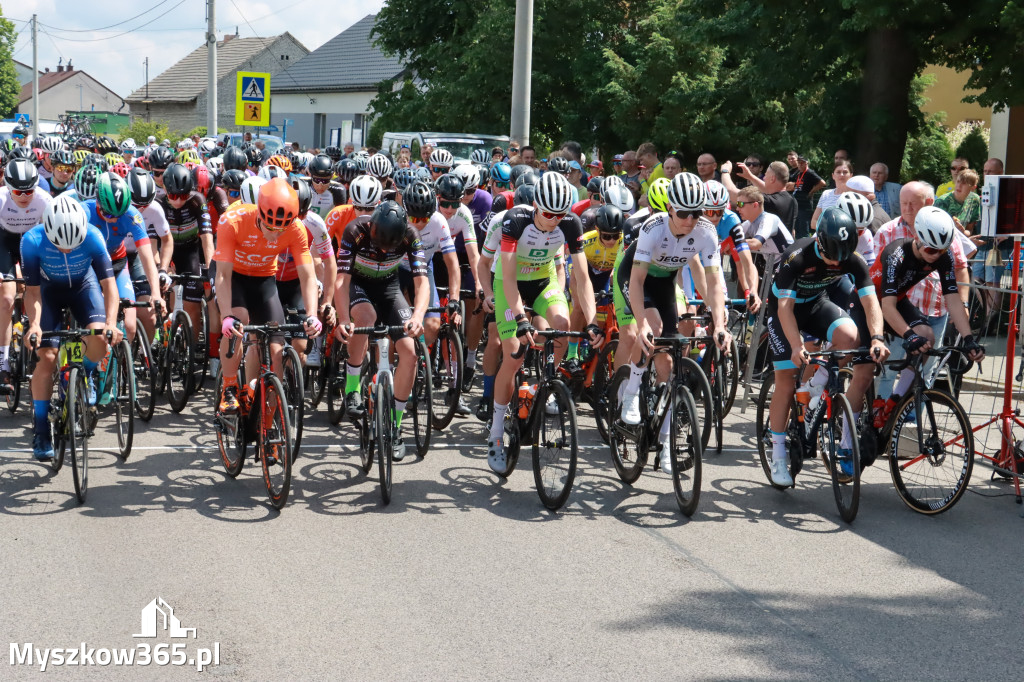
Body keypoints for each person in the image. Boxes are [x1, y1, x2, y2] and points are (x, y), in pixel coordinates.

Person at [615, 173, 733, 473]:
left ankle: (666, 444)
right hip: (636, 277)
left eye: (697, 213)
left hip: (665, 282)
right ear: (669, 208)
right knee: (651, 329)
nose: (691, 220)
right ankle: (631, 391)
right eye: (683, 213)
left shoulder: (706, 232)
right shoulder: (652, 229)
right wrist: (640, 322)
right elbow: (638, 280)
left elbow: (715, 281)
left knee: (669, 367)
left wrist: (719, 323)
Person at [486, 172, 603, 472]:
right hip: (509, 283)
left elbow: (582, 277)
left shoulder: (570, 223)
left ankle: (543, 386)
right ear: (536, 205)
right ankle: (497, 432)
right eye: (549, 214)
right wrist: (522, 319)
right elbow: (509, 278)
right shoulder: (516, 220)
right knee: (514, 353)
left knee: (562, 326)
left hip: (543, 281)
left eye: (560, 214)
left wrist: (590, 322)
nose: (554, 220)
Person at [763, 208, 888, 486]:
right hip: (785, 310)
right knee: (786, 377)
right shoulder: (796, 257)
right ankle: (779, 455)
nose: (836, 264)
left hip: (816, 305)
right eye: (831, 257)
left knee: (852, 338)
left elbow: (870, 303)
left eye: (841, 259)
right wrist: (796, 346)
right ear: (819, 242)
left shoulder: (851, 259)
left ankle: (816, 387)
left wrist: (877, 337)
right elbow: (784, 308)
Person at [22, 197, 123, 460]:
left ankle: (84, 374)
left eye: (72, 246)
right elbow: (32, 293)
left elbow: (109, 286)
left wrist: (111, 323)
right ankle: (42, 428)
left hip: (83, 287)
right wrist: (34, 325)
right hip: (48, 292)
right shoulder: (31, 241)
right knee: (47, 358)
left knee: (100, 338)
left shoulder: (93, 236)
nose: (66, 251)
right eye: (59, 246)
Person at [215, 178, 322, 418]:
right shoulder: (233, 220)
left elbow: (307, 276)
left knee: (276, 351)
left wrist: (312, 315)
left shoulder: (295, 229)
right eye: (270, 227)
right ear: (260, 215)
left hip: (264, 281)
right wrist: (226, 317)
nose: (275, 235)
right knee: (238, 321)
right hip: (235, 277)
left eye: (281, 229)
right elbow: (221, 276)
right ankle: (229, 387)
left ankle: (269, 427)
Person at [870, 206, 984, 425]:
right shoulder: (896, 254)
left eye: (942, 251)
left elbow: (953, 299)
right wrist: (908, 334)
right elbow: (886, 307)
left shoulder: (943, 255)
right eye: (932, 251)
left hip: (897, 300)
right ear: (918, 238)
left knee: (928, 337)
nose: (936, 257)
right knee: (865, 370)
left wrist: (968, 338)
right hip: (869, 301)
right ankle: (847, 438)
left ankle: (895, 401)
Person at [335, 200, 428, 461]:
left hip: (389, 288)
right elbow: (342, 280)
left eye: (390, 247)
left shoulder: (411, 234)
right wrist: (343, 318)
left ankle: (395, 426)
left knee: (409, 352)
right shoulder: (355, 230)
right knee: (366, 317)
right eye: (379, 244)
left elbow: (422, 281)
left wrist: (418, 315)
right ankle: (353, 388)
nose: (383, 250)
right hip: (359, 285)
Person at [0, 158, 53, 390]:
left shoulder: (44, 200)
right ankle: (2, 363)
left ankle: (34, 332)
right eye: (18, 192)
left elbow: (53, 237)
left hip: (31, 241)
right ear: (8, 187)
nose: (24, 196)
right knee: (6, 297)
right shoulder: (1, 199)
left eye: (29, 190)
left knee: (38, 288)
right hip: (3, 241)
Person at [721, 160, 797, 233]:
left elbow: (731, 192)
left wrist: (725, 172)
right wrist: (750, 176)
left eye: (766, 175)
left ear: (772, 179)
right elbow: (766, 188)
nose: (764, 178)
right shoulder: (792, 200)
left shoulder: (769, 202)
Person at [735, 186, 794, 255]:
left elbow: (755, 244)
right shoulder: (749, 223)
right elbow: (730, 238)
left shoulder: (769, 219)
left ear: (755, 205)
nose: (737, 208)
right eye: (737, 204)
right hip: (773, 263)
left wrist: (732, 243)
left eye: (740, 204)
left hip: (789, 262)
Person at [788, 155, 826, 238]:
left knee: (803, 230)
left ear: (806, 163)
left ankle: (805, 248)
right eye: (799, 163)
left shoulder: (809, 173)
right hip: (797, 204)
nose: (800, 165)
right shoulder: (798, 173)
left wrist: (812, 191)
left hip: (804, 205)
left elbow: (822, 183)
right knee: (797, 229)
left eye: (802, 163)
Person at [810, 159, 854, 231]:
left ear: (851, 175)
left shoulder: (854, 196)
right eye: (838, 172)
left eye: (845, 172)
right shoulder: (826, 194)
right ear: (833, 176)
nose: (841, 175)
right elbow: (814, 222)